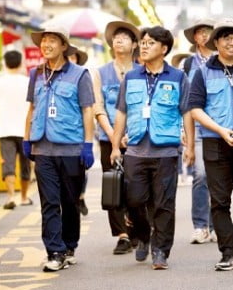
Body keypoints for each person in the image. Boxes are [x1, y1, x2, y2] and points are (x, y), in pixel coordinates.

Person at [110, 26, 194, 270]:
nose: (144, 46)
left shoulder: (178, 77)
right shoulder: (132, 77)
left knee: (164, 203)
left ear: (164, 49)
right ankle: (143, 237)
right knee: (135, 201)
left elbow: (186, 111)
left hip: (166, 150)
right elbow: (121, 113)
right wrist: (116, 145)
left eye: (150, 43)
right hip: (135, 149)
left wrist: (189, 145)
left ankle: (160, 250)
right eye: (143, 42)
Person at [188, 18, 233, 271]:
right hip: (214, 142)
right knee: (219, 201)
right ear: (216, 42)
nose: (232, 42)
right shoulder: (203, 72)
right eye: (226, 37)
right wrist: (220, 130)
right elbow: (195, 108)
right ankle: (227, 252)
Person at [23, 25, 95, 272]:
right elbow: (32, 109)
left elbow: (87, 110)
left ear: (64, 46)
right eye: (44, 41)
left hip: (71, 149)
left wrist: (87, 145)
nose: (46, 45)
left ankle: (69, 244)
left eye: (52, 40)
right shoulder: (36, 74)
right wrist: (26, 139)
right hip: (43, 149)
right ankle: (54, 251)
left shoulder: (79, 74)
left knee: (70, 201)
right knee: (49, 202)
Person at [93, 21, 140, 254]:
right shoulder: (100, 73)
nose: (118, 40)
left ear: (134, 45)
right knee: (113, 185)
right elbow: (98, 108)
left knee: (138, 186)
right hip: (108, 137)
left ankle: (137, 226)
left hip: (138, 137)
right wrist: (114, 137)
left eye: (124, 37)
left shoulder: (142, 71)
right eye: (115, 37)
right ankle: (121, 234)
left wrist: (131, 134)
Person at [181, 19, 217, 244]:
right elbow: (183, 100)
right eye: (201, 33)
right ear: (195, 37)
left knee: (219, 179)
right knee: (200, 175)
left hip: (221, 127)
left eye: (209, 32)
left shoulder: (222, 60)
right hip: (198, 127)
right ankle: (200, 225)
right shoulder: (187, 65)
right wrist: (184, 130)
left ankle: (215, 225)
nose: (205, 36)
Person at [0, 51, 32, 210]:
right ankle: (24, 197)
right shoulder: (28, 82)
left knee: (8, 164)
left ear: (5, 63)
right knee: (25, 164)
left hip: (4, 129)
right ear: (20, 63)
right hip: (25, 130)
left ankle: (11, 197)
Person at [67, 47, 90, 216]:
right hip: (63, 138)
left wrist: (88, 142)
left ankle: (80, 196)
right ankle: (76, 199)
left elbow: (88, 110)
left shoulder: (82, 76)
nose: (71, 59)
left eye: (73, 57)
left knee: (82, 170)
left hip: (79, 135)